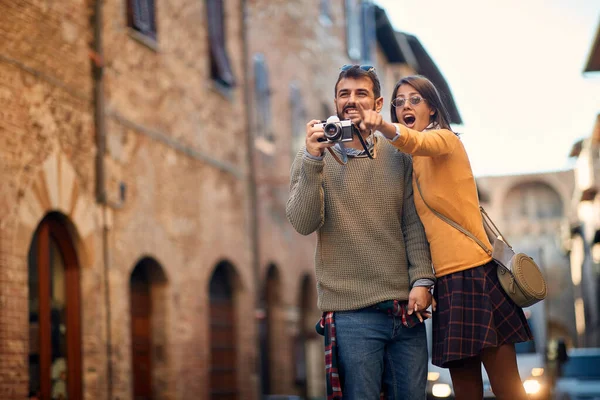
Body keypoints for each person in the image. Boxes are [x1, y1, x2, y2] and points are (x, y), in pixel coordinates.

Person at [357, 74, 533, 400]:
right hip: (448, 284)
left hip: (477, 274)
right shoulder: (409, 164)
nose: (405, 106)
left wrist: (381, 125)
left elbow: (418, 142)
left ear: (433, 110)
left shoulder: (445, 141)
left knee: (508, 388)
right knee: (465, 393)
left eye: (414, 99)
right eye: (399, 102)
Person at [286, 65, 435, 399]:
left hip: (405, 312)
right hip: (351, 315)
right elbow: (302, 222)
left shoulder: (400, 155)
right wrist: (312, 159)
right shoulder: (313, 155)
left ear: (378, 103)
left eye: (360, 93)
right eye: (344, 94)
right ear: (335, 101)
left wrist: (423, 280)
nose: (351, 101)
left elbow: (412, 223)